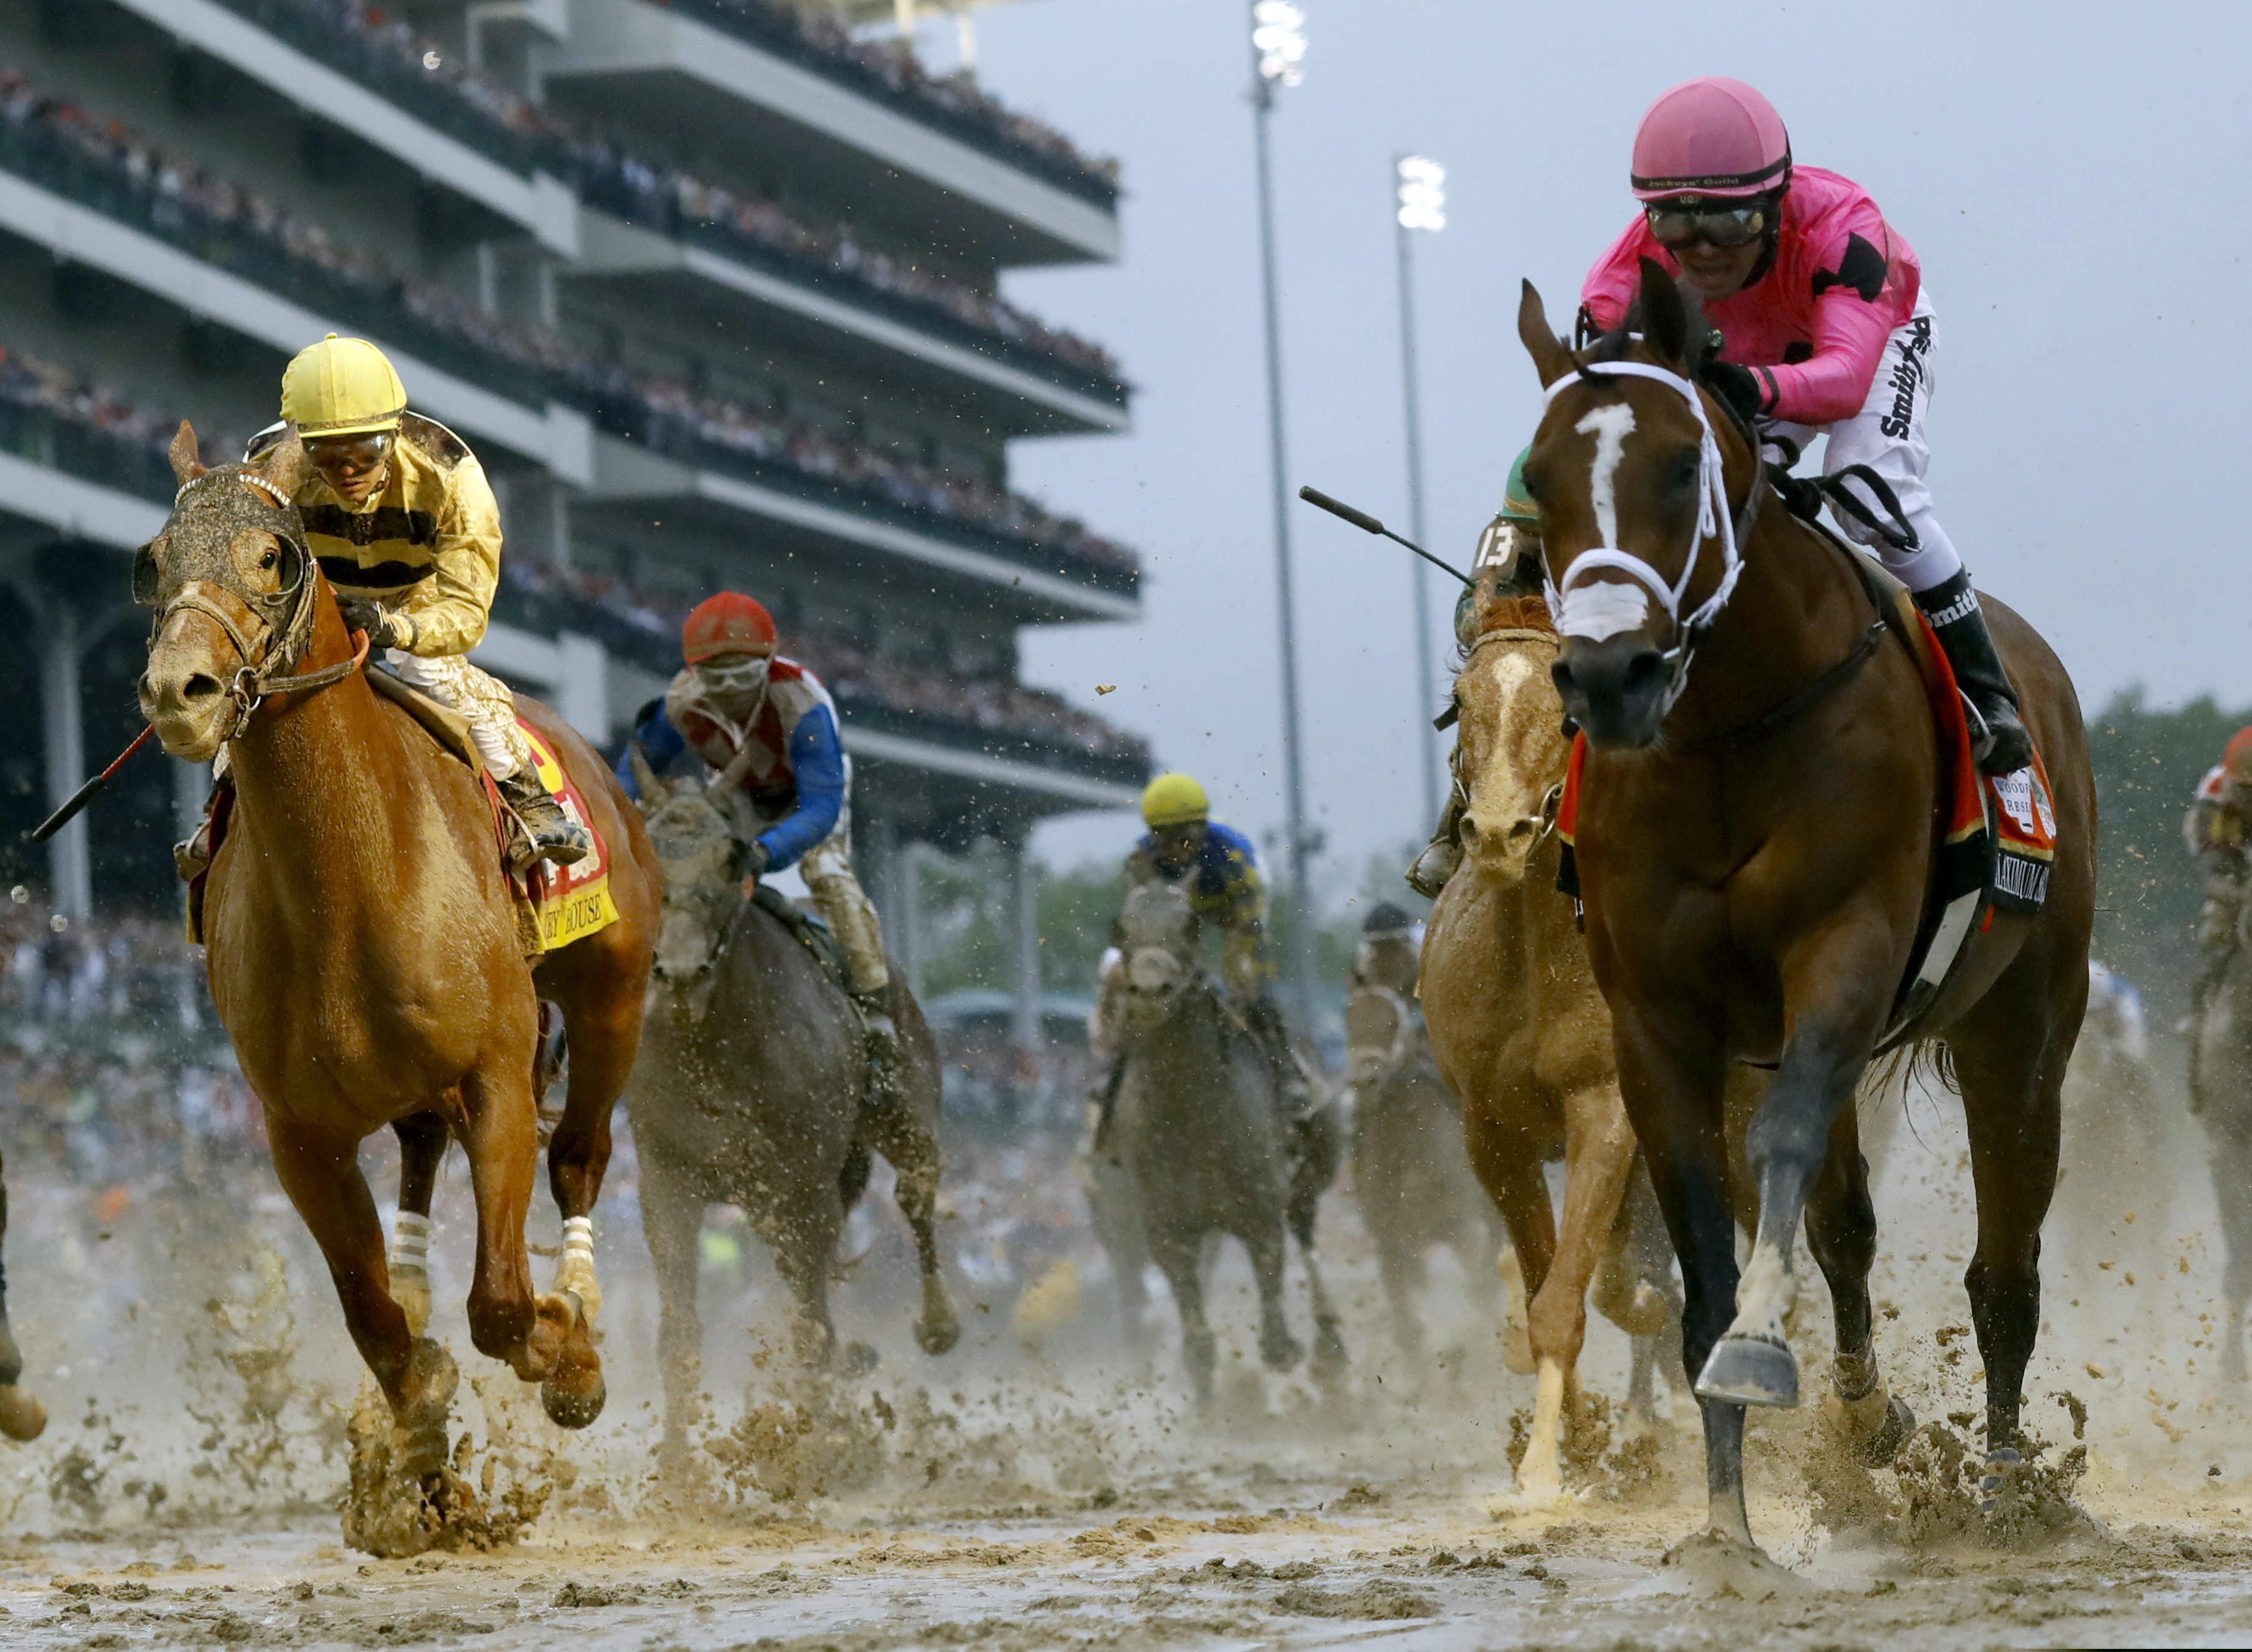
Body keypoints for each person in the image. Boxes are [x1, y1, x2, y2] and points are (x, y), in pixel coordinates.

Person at [1578, 75, 2031, 776]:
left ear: (1774, 200)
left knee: (1866, 492)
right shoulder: (1615, 285)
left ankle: (1987, 696)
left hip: (1869, 337)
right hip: (1753, 356)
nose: (1700, 249)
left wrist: (1749, 388)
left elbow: (1843, 383)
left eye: (1728, 222)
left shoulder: (1843, 230)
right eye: (1675, 221)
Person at [215, 334, 590, 871]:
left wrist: (393, 627)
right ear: (299, 445)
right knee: (246, 677)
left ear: (392, 436)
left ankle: (527, 794)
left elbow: (465, 613)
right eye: (325, 453)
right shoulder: (267, 472)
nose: (346, 468)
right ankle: (218, 811)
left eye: (364, 451)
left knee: (428, 671)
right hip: (314, 600)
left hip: (419, 599)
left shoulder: (454, 478)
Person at [618, 592, 899, 1077]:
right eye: (715, 677)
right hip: (733, 796)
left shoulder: (804, 707)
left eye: (741, 676)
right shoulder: (679, 703)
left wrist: (767, 851)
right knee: (683, 872)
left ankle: (875, 1008)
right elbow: (627, 778)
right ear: (693, 674)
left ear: (768, 665)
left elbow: (821, 807)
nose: (728, 691)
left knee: (828, 875)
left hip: (805, 797)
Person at [1093, 773, 1312, 1116]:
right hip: (1177, 914)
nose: (1178, 850)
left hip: (1232, 906)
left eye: (1187, 838)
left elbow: (1246, 926)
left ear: (1201, 830)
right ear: (1153, 836)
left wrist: (1240, 965)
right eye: (1166, 840)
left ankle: (1285, 1072)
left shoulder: (1233, 855)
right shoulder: (1140, 860)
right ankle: (1111, 1070)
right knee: (1120, 973)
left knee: (1246, 978)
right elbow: (1141, 928)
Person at [1407, 448, 1540, 899]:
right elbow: (1468, 618)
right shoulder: (1500, 535)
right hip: (1527, 649)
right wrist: (1494, 610)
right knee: (1487, 697)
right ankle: (1450, 833)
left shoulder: (1605, 537)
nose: (1535, 541)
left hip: (1584, 657)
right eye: (1529, 532)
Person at [2186, 727, 2252, 1016]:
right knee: (2220, 927)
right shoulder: (2217, 798)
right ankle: (2200, 1011)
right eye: (2248, 793)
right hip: (2231, 851)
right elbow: (2216, 878)